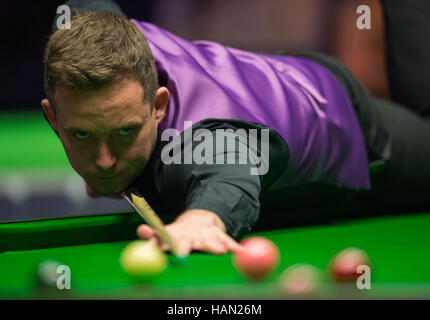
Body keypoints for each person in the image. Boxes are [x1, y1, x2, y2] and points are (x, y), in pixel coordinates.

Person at [41, 0, 430, 255]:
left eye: (125, 131)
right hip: (272, 76)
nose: (105, 161)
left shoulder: (198, 145)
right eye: (83, 135)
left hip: (344, 118)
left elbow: (230, 177)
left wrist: (203, 218)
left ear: (158, 106)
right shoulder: (95, 32)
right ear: (53, 119)